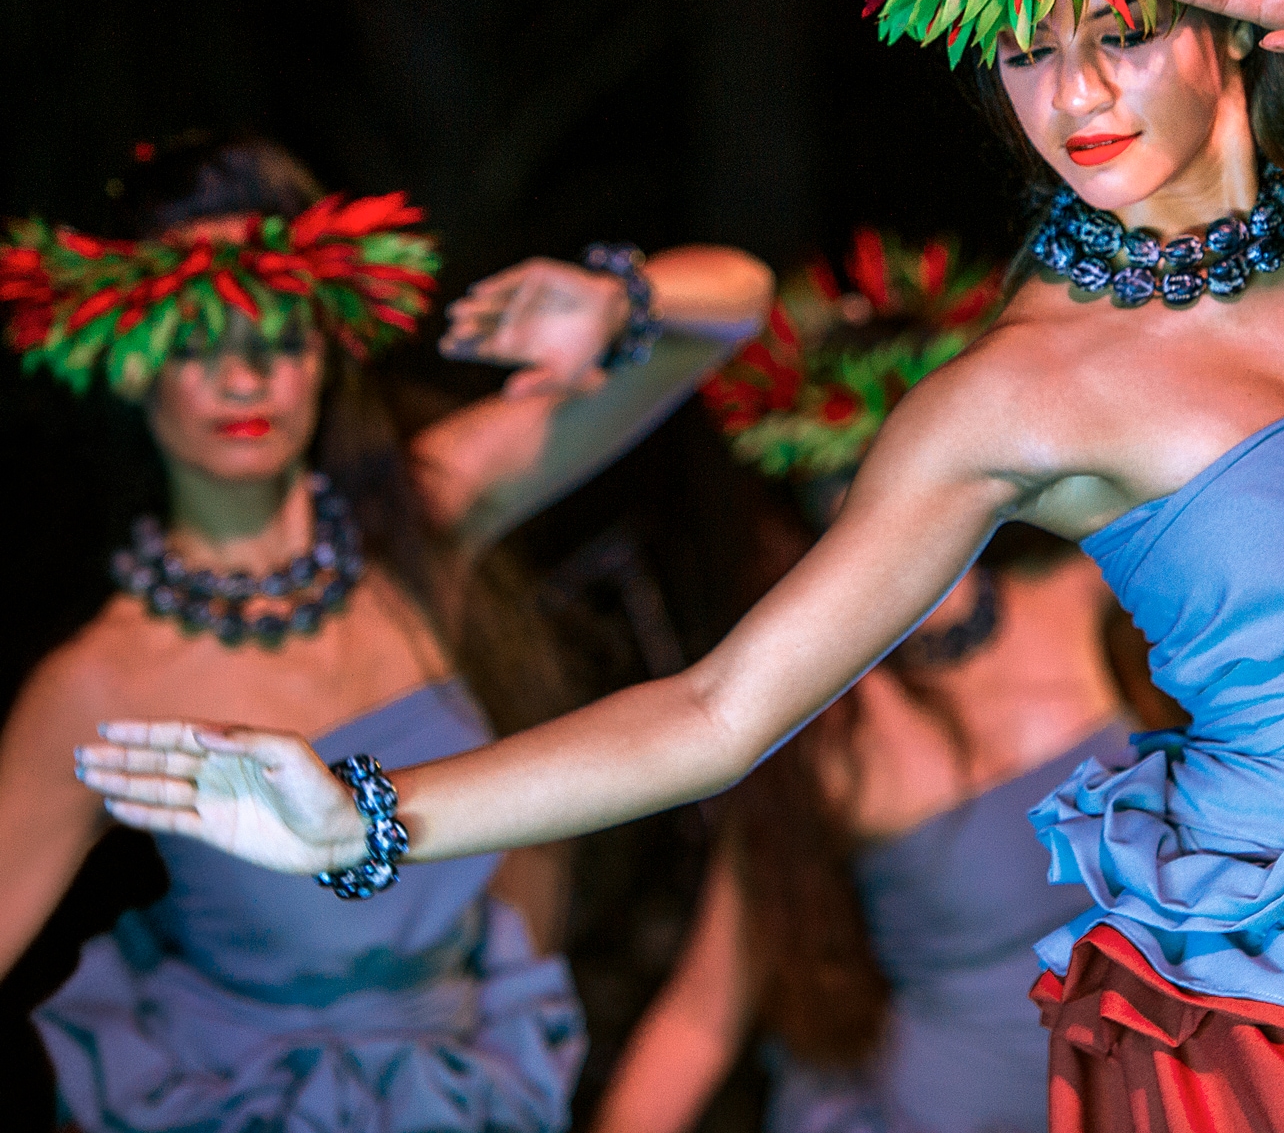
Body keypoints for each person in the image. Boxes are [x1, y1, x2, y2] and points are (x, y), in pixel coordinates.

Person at [76, 0, 1284, 1131]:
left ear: (1232, 16)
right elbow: (716, 710)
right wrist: (367, 818)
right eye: (1025, 54)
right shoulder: (1018, 394)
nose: (1071, 103)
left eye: (1119, 36)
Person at [0, 132, 772, 1132]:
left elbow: (740, 298)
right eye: (199, 339)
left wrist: (615, 301)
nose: (245, 378)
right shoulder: (99, 681)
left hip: (471, 1090)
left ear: (326, 343)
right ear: (128, 360)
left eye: (278, 333)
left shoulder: (421, 518)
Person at [593, 230, 1134, 1133]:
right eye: (846, 477)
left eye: (913, 448)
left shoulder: (1105, 598)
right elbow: (699, 1016)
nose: (887, 496)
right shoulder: (818, 731)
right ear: (810, 503)